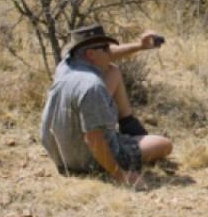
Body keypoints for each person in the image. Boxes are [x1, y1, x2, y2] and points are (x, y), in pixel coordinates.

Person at [40, 24, 173, 186]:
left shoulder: (66, 65)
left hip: (59, 155)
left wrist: (140, 46)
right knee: (164, 145)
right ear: (91, 54)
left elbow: (109, 55)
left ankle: (128, 124)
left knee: (113, 71)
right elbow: (93, 138)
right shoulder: (92, 86)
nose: (109, 52)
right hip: (86, 160)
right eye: (105, 48)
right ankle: (128, 142)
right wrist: (120, 175)